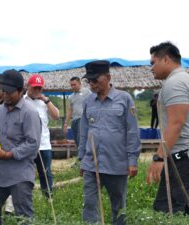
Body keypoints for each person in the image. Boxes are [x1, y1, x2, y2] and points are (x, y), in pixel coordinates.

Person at [78, 60, 141, 225]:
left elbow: (133, 131)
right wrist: (82, 159)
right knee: (90, 205)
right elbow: (84, 132)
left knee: (118, 207)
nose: (91, 85)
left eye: (95, 80)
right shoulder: (88, 102)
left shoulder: (124, 99)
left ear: (108, 77)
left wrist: (132, 160)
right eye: (88, 81)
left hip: (117, 164)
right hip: (92, 164)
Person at [0, 69, 42, 225]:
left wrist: (9, 154)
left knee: (24, 217)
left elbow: (33, 143)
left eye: (10, 92)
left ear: (21, 91)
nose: (5, 95)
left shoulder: (29, 113)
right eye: (3, 91)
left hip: (20, 173)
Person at [146, 41, 189, 214]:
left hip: (182, 158)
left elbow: (175, 124)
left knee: (173, 211)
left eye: (153, 62)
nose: (151, 68)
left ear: (166, 60)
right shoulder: (183, 79)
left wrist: (158, 158)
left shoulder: (175, 83)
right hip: (181, 156)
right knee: (168, 209)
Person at [24, 74, 59, 198]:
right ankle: (26, 198)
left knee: (46, 172)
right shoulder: (22, 101)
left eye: (40, 88)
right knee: (25, 172)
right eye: (34, 88)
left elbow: (56, 116)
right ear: (28, 87)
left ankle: (48, 198)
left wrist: (47, 100)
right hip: (26, 144)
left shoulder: (45, 102)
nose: (37, 91)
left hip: (44, 144)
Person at [63, 77, 91, 146]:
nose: (73, 86)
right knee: (76, 139)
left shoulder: (86, 91)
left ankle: (84, 154)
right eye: (71, 85)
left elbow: (93, 103)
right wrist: (66, 123)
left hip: (83, 119)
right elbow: (70, 110)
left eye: (74, 84)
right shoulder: (71, 96)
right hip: (74, 120)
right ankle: (80, 154)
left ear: (79, 83)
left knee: (81, 138)